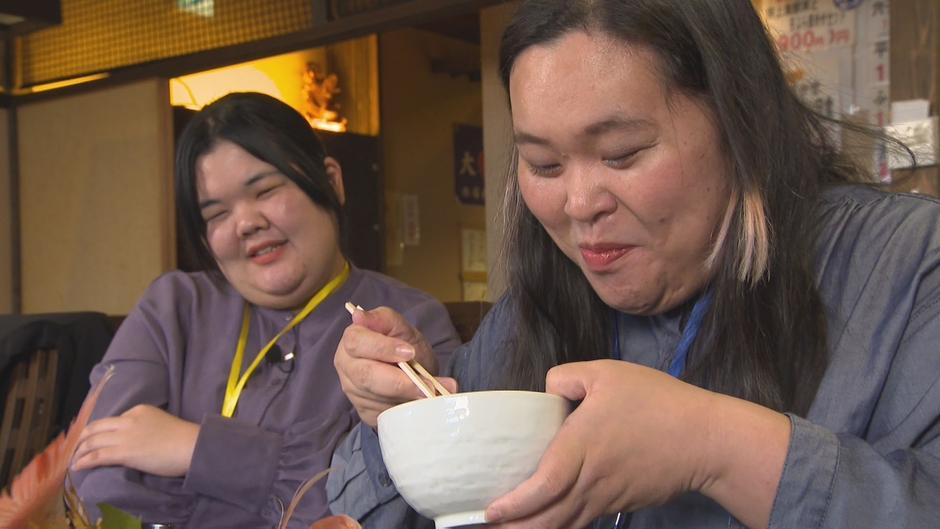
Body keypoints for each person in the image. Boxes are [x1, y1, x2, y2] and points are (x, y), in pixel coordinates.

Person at [327, 0, 940, 528]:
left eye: (621, 153)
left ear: (740, 120)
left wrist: (716, 445)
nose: (579, 205)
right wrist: (409, 419)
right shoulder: (532, 309)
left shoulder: (905, 265)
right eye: (544, 164)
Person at [68, 92, 462, 528]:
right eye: (216, 215)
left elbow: (389, 503)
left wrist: (197, 449)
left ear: (331, 182)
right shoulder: (171, 309)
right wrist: (292, 473)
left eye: (266, 191)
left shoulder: (406, 324)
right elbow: (95, 480)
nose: (245, 223)